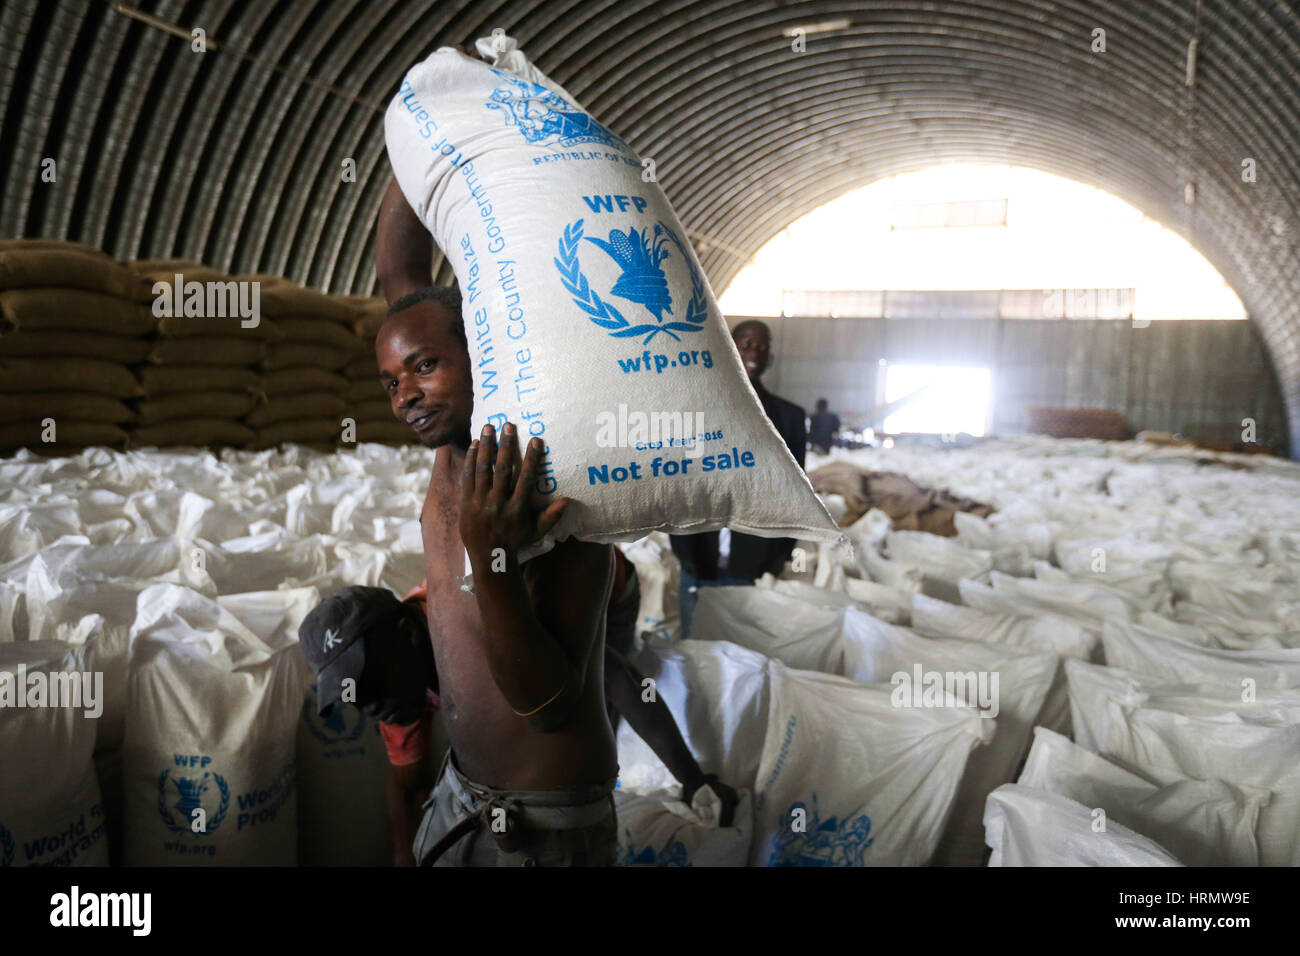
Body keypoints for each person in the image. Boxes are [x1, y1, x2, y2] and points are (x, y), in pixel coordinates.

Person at [299, 566, 740, 867]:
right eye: (352, 694)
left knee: (572, 718)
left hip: (609, 588)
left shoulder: (480, 626)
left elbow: (618, 679)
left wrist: (693, 780)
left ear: (409, 634)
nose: (368, 706)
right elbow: (405, 785)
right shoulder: (393, 686)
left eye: (368, 683)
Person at [670, 319, 806, 636]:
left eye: (762, 347)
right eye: (747, 344)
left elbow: (798, 492)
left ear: (770, 357)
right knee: (697, 649)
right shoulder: (693, 410)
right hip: (698, 556)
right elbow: (677, 479)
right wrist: (682, 548)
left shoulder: (789, 418)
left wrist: (780, 555)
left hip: (754, 564)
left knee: (744, 651)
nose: (754, 353)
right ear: (730, 348)